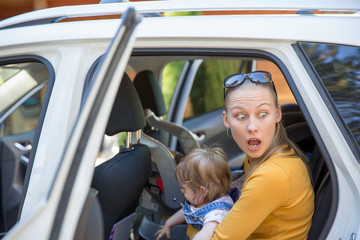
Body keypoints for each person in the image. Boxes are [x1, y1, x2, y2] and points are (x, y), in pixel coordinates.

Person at [187, 71, 314, 239]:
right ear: (226, 120)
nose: (252, 127)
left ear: (277, 114)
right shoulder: (266, 154)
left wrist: (189, 224)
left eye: (263, 114)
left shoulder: (272, 174)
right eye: (240, 116)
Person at [155, 147, 234, 240]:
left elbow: (206, 235)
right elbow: (187, 212)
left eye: (184, 188)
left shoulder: (216, 213)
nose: (182, 191)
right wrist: (168, 223)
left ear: (202, 191)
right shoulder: (203, 201)